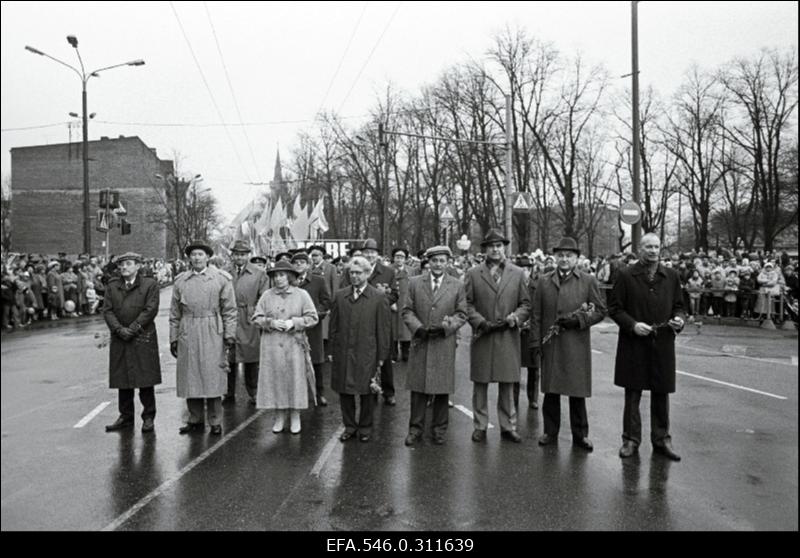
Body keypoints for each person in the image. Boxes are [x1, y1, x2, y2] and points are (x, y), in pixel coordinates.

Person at [608, 232, 685, 461]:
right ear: (640, 249)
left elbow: (680, 306)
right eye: (648, 247)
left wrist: (679, 319)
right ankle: (630, 440)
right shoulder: (626, 275)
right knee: (633, 392)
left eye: (656, 247)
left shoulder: (671, 276)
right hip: (635, 343)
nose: (653, 251)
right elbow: (614, 308)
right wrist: (632, 325)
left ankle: (662, 439)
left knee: (661, 392)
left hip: (662, 342)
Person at [530, 238, 606, 451]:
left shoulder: (588, 281)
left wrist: (580, 320)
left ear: (576, 258)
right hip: (551, 344)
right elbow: (536, 315)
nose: (564, 259)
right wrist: (535, 342)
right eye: (561, 255)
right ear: (555, 257)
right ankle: (550, 432)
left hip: (576, 344)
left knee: (577, 391)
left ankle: (580, 435)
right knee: (551, 391)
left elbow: (600, 310)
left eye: (569, 256)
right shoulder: (544, 281)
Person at [464, 229, 530, 443]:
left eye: (499, 245)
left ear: (504, 248)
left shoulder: (518, 273)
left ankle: (508, 426)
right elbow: (466, 303)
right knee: (481, 382)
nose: (495, 249)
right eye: (491, 245)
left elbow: (526, 304)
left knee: (507, 383)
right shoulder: (474, 273)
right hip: (483, 333)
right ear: (485, 249)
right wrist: (478, 321)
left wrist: (516, 318)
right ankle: (480, 426)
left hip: (507, 335)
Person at [401, 246, 467, 446]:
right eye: (434, 260)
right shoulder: (414, 283)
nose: (438, 264)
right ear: (428, 262)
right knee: (418, 388)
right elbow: (407, 310)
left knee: (441, 388)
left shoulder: (456, 285)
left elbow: (462, 313)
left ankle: (439, 430)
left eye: (442, 261)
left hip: (443, 342)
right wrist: (418, 328)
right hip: (421, 341)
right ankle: (415, 429)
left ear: (448, 263)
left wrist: (448, 328)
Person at [170, 241, 237, 436]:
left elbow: (230, 310)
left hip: (212, 328)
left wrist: (229, 335)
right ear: (189, 258)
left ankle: (215, 421)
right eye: (193, 255)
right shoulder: (181, 281)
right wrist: (174, 338)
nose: (197, 258)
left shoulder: (221, 279)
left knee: (212, 375)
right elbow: (174, 313)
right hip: (188, 328)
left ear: (208, 257)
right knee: (190, 375)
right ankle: (195, 419)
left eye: (201, 254)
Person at [252, 260, 319, 434]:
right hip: (272, 344)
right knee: (276, 379)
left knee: (295, 378)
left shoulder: (301, 294)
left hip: (294, 344)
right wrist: (271, 322)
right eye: (275, 275)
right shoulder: (267, 295)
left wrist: (293, 322)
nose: (278, 279)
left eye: (282, 275)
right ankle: (279, 415)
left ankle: (295, 415)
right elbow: (256, 318)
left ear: (290, 277)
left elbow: (313, 317)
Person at [330, 256, 391, 443]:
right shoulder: (340, 296)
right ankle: (349, 426)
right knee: (345, 391)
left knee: (367, 391)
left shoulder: (378, 297)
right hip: (344, 351)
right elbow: (334, 326)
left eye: (358, 273)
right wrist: (332, 349)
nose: (354, 276)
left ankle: (365, 426)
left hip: (367, 352)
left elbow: (383, 329)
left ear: (367, 273)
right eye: (352, 273)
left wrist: (382, 355)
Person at [102, 253, 162, 433]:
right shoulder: (113, 286)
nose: (123, 268)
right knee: (123, 379)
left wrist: (133, 328)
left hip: (142, 336)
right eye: (121, 265)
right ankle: (125, 416)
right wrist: (119, 329)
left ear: (138, 266)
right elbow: (108, 311)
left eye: (128, 264)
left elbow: (150, 310)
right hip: (121, 337)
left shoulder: (149, 285)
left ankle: (148, 416)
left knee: (145, 378)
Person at [339, 239, 398, 405]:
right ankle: (363, 387)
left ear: (378, 254)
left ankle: (388, 391)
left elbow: (395, 294)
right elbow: (344, 290)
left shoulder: (387, 271)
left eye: (373, 252)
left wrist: (381, 300)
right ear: (362, 253)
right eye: (367, 252)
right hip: (358, 317)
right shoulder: (351, 270)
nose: (370, 255)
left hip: (381, 317)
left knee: (383, 354)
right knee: (360, 356)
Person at [225, 240, 270, 406]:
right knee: (228, 357)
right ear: (232, 255)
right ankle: (228, 392)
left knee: (251, 358)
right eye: (236, 254)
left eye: (243, 254)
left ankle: (254, 392)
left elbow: (264, 297)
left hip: (249, 318)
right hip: (229, 317)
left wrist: (255, 313)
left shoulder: (259, 273)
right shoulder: (224, 272)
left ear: (248, 255)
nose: (239, 257)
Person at [292, 250, 332, 406]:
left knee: (315, 360)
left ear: (308, 265)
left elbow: (326, 301)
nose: (299, 265)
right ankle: (296, 394)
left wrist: (316, 314)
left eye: (302, 262)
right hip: (294, 326)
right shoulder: (289, 281)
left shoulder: (318, 280)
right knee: (294, 361)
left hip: (313, 327)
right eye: (295, 263)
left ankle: (319, 392)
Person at [515, 255, 540, 410]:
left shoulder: (537, 286)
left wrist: (532, 322)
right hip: (516, 330)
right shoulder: (513, 286)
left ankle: (533, 398)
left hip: (532, 331)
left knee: (534, 368)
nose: (525, 272)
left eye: (527, 269)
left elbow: (539, 308)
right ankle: (514, 398)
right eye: (522, 269)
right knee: (514, 368)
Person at [390, 247, 413, 362]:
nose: (399, 259)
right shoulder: (388, 270)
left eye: (402, 257)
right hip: (393, 305)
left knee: (406, 330)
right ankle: (393, 354)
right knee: (392, 329)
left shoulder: (411, 271)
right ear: (393, 258)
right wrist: (390, 302)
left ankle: (406, 352)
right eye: (397, 257)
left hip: (406, 303)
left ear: (405, 259)